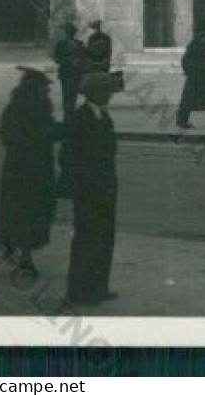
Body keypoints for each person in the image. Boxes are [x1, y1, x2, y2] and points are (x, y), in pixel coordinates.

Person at [0, 68, 62, 276]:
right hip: (21, 172)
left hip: (40, 171)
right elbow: (10, 138)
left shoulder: (43, 109)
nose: (47, 92)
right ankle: (25, 259)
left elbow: (51, 132)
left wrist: (62, 130)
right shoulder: (15, 111)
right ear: (32, 89)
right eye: (44, 88)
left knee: (33, 214)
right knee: (25, 213)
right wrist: (40, 135)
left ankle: (11, 245)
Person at [65, 72, 119, 306]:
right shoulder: (79, 118)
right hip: (87, 192)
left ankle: (99, 287)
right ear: (94, 93)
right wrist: (84, 184)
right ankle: (78, 292)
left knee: (104, 239)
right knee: (86, 240)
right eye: (106, 91)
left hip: (105, 190)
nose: (110, 96)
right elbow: (68, 156)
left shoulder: (104, 117)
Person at [51, 22, 83, 122]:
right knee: (66, 97)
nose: (70, 33)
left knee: (73, 97)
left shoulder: (79, 44)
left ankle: (71, 117)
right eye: (69, 32)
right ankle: (67, 118)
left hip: (76, 73)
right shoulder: (61, 45)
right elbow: (56, 59)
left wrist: (79, 61)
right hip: (66, 73)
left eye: (72, 32)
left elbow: (84, 57)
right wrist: (68, 60)